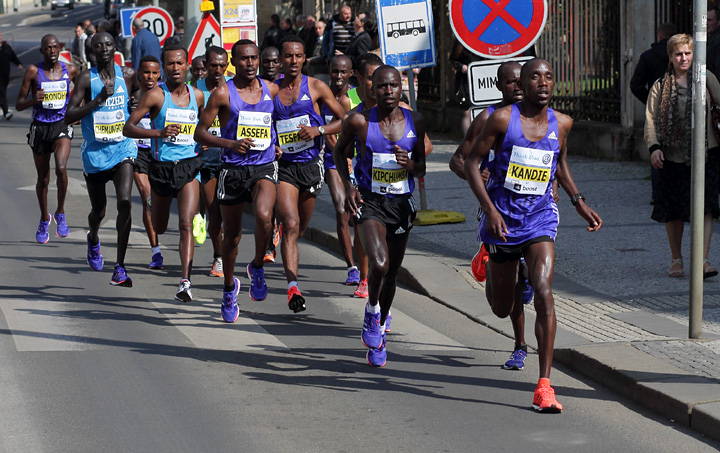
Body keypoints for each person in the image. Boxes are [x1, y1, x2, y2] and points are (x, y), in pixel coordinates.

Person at [464, 58, 602, 412]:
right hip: (503, 222)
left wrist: (578, 201)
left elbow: (560, 164)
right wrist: (491, 211)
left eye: (549, 77)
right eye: (535, 77)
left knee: (544, 292)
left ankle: (544, 385)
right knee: (502, 308)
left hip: (540, 218)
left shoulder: (563, 123)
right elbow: (470, 163)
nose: (543, 82)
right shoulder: (501, 120)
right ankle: (495, 267)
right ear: (521, 85)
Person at [449, 61, 541, 371]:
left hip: (533, 214)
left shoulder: (540, 117)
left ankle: (521, 346)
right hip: (498, 213)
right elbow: (458, 161)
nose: (517, 87)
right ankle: (496, 273)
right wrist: (481, 179)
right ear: (500, 86)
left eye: (521, 81)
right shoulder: (488, 118)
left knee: (535, 279)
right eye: (511, 82)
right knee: (503, 302)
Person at [333, 65, 427, 367]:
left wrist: (409, 164)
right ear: (373, 89)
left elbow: (422, 169)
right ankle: (372, 311)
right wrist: (348, 186)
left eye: (394, 86)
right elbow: (339, 153)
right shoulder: (359, 121)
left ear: (401, 89)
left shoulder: (416, 121)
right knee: (380, 264)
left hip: (400, 206)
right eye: (382, 86)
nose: (388, 91)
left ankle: (381, 325)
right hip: (370, 202)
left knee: (392, 274)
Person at [195, 39, 280, 322]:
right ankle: (229, 288)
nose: (251, 63)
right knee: (231, 237)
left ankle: (257, 266)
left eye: (254, 57)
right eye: (244, 59)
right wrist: (230, 144)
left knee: (264, 216)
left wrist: (276, 143)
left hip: (263, 167)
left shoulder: (271, 89)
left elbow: (275, 121)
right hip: (232, 171)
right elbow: (200, 133)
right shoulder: (222, 93)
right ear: (235, 62)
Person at [124, 45, 205, 301]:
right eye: (170, 64)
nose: (176, 68)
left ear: (187, 64)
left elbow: (207, 124)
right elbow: (129, 128)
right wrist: (158, 133)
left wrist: (204, 139)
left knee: (185, 224)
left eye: (180, 63)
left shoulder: (198, 96)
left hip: (189, 166)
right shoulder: (155, 96)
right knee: (158, 225)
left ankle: (185, 282)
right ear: (163, 68)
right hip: (161, 169)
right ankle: (151, 203)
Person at [274, 35, 346, 312]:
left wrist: (320, 130)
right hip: (283, 167)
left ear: (305, 58)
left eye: (298, 56)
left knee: (300, 228)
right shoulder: (271, 90)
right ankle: (293, 287)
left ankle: (282, 234)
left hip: (310, 166)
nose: (293, 61)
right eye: (288, 56)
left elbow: (345, 120)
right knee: (291, 224)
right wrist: (272, 145)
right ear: (281, 60)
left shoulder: (316, 87)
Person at [64, 32, 140, 287]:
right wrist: (98, 100)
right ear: (92, 51)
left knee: (125, 202)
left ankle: (120, 266)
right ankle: (93, 237)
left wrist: (134, 104)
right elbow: (69, 114)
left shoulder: (128, 75)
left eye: (108, 44)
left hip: (123, 148)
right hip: (95, 154)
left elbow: (139, 95)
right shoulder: (87, 78)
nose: (104, 48)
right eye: (99, 46)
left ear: (115, 47)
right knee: (99, 211)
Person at [645, 34, 720, 279]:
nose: (684, 58)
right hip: (672, 157)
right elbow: (650, 120)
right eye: (678, 54)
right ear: (670, 57)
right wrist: (654, 147)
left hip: (705, 155)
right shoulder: (660, 85)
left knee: (706, 206)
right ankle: (676, 259)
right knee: (674, 210)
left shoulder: (706, 79)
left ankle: (703, 259)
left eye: (688, 53)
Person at [16, 34, 79, 244]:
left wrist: (77, 113)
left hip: (61, 125)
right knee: (43, 177)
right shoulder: (34, 71)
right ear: (42, 51)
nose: (52, 51)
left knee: (61, 168)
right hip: (40, 128)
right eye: (47, 48)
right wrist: (35, 100)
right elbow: (18, 104)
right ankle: (45, 218)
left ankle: (60, 212)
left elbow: (83, 91)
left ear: (59, 49)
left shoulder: (70, 70)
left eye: (55, 47)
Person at [321, 55, 366, 290]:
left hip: (358, 161)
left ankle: (361, 261)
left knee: (357, 216)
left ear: (351, 73)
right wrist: (340, 154)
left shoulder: (358, 96)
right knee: (341, 210)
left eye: (343, 72)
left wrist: (352, 157)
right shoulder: (322, 95)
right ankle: (351, 267)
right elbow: (327, 131)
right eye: (335, 71)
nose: (338, 76)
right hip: (332, 160)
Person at [192, 46, 230, 278]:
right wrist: (199, 138)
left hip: (232, 160)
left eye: (222, 65)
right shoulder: (195, 92)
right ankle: (218, 258)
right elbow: (189, 126)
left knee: (231, 214)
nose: (217, 70)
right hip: (206, 162)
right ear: (205, 65)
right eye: (212, 65)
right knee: (215, 211)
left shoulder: (234, 88)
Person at [631, 22, 676, 204]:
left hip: (657, 109)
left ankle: (658, 193)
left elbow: (635, 85)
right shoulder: (682, 57)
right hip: (680, 107)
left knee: (656, 148)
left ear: (659, 35)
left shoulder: (648, 56)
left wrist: (649, 99)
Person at [131, 55, 164, 270]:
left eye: (154, 73)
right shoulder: (132, 98)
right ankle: (156, 251)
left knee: (159, 201)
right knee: (146, 197)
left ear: (159, 74)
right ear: (139, 74)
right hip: (138, 151)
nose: (150, 77)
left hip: (160, 153)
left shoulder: (165, 95)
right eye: (146, 72)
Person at [0, 32, 22, 120]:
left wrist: (18, 64)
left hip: (5, 75)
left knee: (2, 91)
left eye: (0, 36)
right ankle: (6, 112)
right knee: (1, 93)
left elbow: (12, 56)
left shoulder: (6, 47)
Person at [707, 7, 720, 77]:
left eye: (709, 20)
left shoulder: (717, 41)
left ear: (718, 22)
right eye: (703, 19)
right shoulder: (704, 40)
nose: (706, 23)